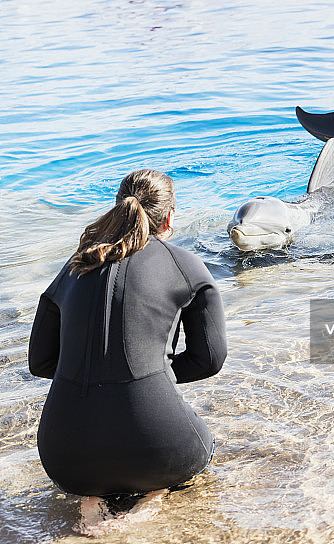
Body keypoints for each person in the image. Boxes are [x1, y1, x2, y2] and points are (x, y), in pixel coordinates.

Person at [28, 168, 227, 498]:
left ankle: (92, 499)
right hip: (161, 451)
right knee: (200, 451)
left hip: (64, 458)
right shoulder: (185, 265)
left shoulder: (75, 266)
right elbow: (209, 360)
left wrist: (95, 373)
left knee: (94, 475)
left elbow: (40, 362)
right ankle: (153, 496)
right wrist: (153, 377)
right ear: (169, 218)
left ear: (119, 207)